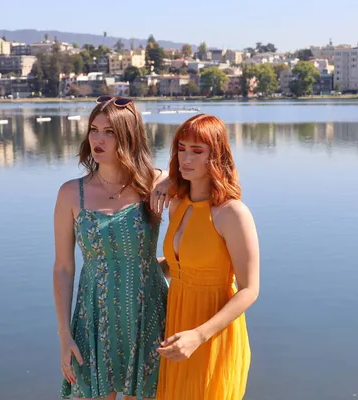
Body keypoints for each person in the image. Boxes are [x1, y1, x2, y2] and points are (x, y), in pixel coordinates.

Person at [53, 96, 169, 400]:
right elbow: (64, 268)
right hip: (94, 316)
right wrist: (64, 335)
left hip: (148, 313)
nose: (98, 139)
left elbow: (205, 187)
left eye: (110, 132)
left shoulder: (153, 184)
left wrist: (170, 180)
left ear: (129, 137)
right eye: (94, 129)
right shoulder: (70, 193)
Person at [154, 114, 260, 400]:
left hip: (212, 334)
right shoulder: (177, 205)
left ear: (216, 156)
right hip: (176, 327)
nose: (186, 158)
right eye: (181, 148)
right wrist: (149, 269)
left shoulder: (232, 213)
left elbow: (250, 289)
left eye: (197, 151)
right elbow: (182, 265)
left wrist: (199, 335)